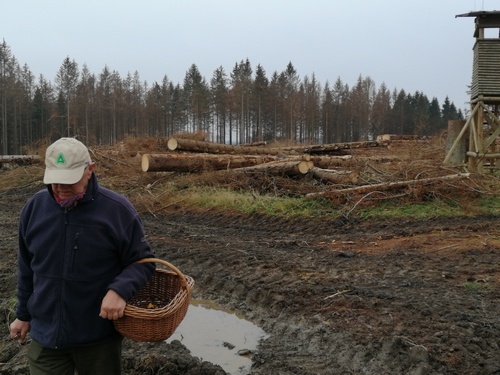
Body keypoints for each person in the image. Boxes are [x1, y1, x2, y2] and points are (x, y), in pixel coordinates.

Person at [9, 137, 156, 375]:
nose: (61, 188)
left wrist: (119, 290)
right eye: (56, 181)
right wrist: (23, 315)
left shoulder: (116, 210)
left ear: (90, 170)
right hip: (46, 336)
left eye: (70, 180)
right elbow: (26, 268)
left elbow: (143, 263)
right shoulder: (34, 208)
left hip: (97, 340)